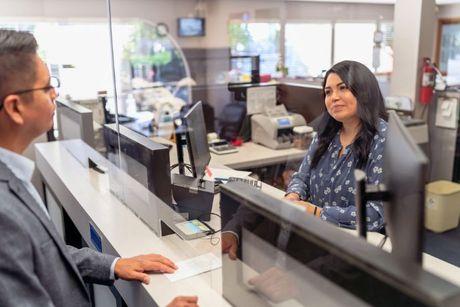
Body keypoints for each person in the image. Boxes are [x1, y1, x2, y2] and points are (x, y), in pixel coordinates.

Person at [0, 29, 197, 307]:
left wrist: (113, 264)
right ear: (15, 107)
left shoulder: (11, 175)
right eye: (46, 87)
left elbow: (45, 255)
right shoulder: (3, 212)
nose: (55, 93)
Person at [222, 60, 388, 259]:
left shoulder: (384, 140)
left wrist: (317, 212)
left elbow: (375, 214)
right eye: (328, 92)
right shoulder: (326, 133)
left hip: (351, 248)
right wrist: (293, 195)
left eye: (342, 88)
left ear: (364, 91)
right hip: (313, 234)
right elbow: (302, 177)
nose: (334, 98)